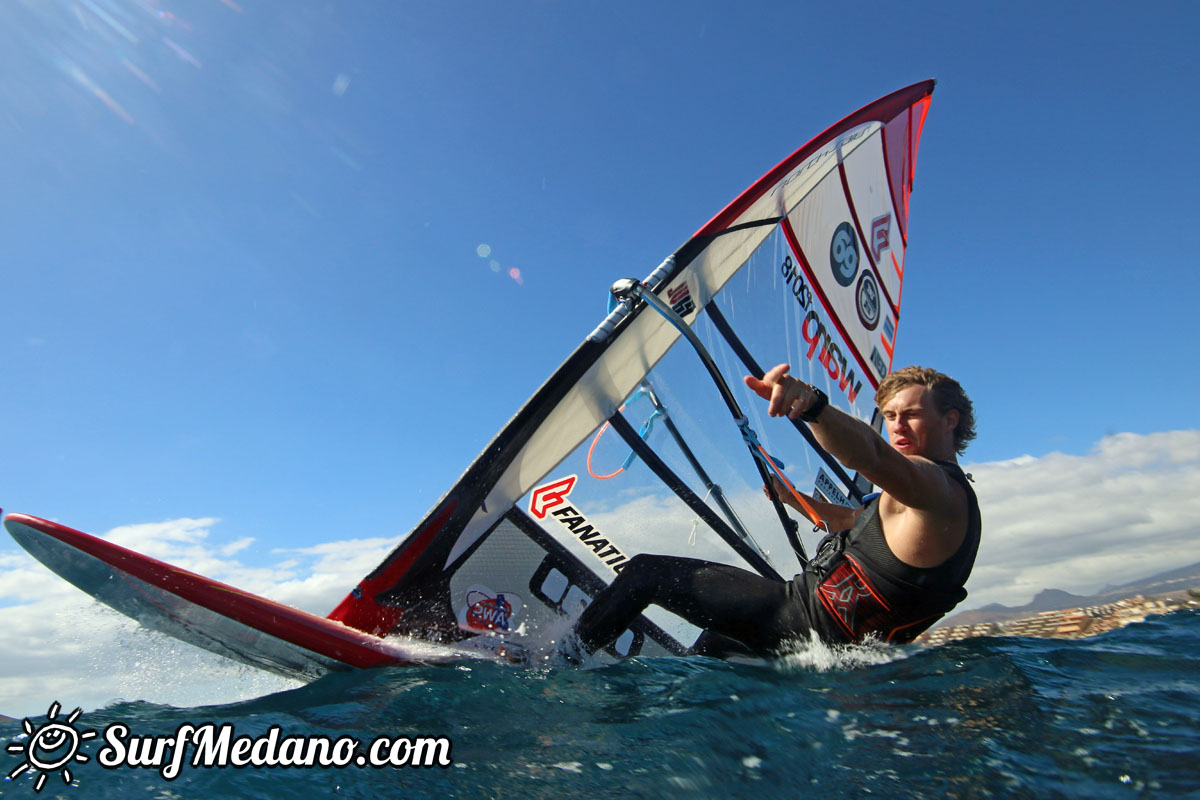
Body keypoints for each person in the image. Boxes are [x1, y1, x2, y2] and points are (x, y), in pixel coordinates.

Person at [563, 364, 981, 659]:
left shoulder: (939, 491)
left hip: (798, 623)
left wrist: (814, 407)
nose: (897, 427)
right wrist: (792, 497)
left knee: (646, 574)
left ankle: (560, 664)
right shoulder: (916, 504)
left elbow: (870, 455)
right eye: (889, 416)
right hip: (822, 646)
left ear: (950, 420)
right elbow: (854, 522)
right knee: (713, 646)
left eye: (911, 415)